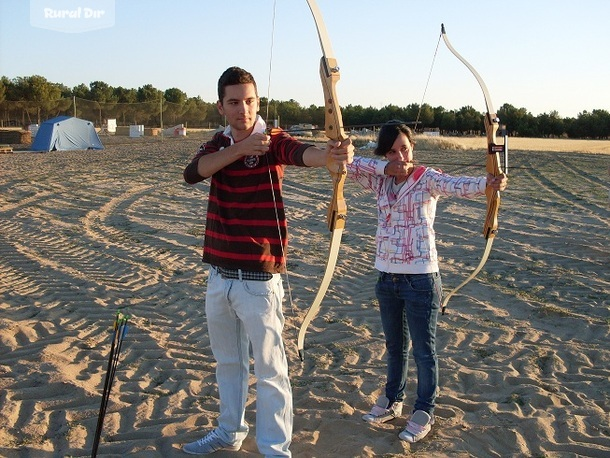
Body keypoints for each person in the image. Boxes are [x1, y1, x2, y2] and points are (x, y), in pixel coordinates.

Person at [181, 66, 353, 456]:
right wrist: (239, 149)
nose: (243, 108)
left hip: (258, 279)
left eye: (250, 100)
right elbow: (193, 173)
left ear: (258, 102)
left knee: (272, 369)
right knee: (228, 363)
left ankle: (275, 449)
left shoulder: (272, 140)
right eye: (235, 102)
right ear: (222, 106)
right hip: (219, 275)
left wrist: (330, 154)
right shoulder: (217, 145)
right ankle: (229, 430)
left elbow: (301, 153)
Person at [347, 120, 507, 443]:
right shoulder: (379, 182)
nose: (400, 157)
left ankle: (424, 410)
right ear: (384, 154)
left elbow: (457, 185)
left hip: (421, 279)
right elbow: (347, 164)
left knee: (423, 350)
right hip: (387, 277)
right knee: (394, 347)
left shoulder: (425, 178)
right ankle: (393, 400)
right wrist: (383, 169)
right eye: (392, 152)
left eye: (404, 149)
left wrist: (490, 183)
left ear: (412, 148)